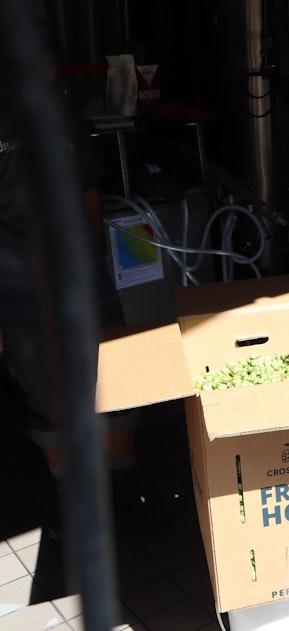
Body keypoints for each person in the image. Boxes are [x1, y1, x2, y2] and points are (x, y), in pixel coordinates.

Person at [0, 22, 168, 539]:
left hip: (85, 285)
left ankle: (123, 483)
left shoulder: (65, 119)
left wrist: (100, 262)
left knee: (116, 385)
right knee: (47, 399)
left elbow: (88, 191)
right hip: (18, 293)